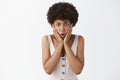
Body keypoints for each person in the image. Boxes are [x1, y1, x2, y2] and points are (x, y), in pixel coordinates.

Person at [42, 2, 84, 80]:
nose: (62, 29)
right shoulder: (46, 39)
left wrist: (66, 44)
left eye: (66, 24)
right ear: (53, 25)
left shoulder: (79, 39)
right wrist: (60, 44)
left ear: (71, 24)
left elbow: (78, 70)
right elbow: (48, 70)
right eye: (58, 24)